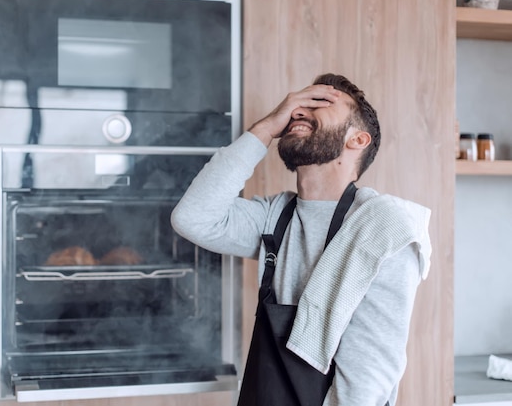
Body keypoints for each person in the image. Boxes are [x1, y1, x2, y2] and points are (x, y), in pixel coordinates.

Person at [170, 73, 432, 406]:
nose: (299, 111)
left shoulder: (382, 228)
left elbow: (365, 382)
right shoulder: (276, 216)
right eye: (299, 105)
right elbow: (192, 218)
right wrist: (265, 128)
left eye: (321, 104)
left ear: (357, 140)